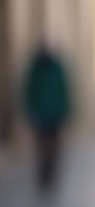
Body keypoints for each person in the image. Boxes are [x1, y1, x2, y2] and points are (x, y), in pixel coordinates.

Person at [23, 42, 72, 193]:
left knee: (54, 148)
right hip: (40, 116)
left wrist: (65, 112)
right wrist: (30, 111)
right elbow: (28, 91)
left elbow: (64, 91)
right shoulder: (35, 68)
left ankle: (52, 175)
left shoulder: (57, 68)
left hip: (55, 116)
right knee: (41, 148)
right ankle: (43, 176)